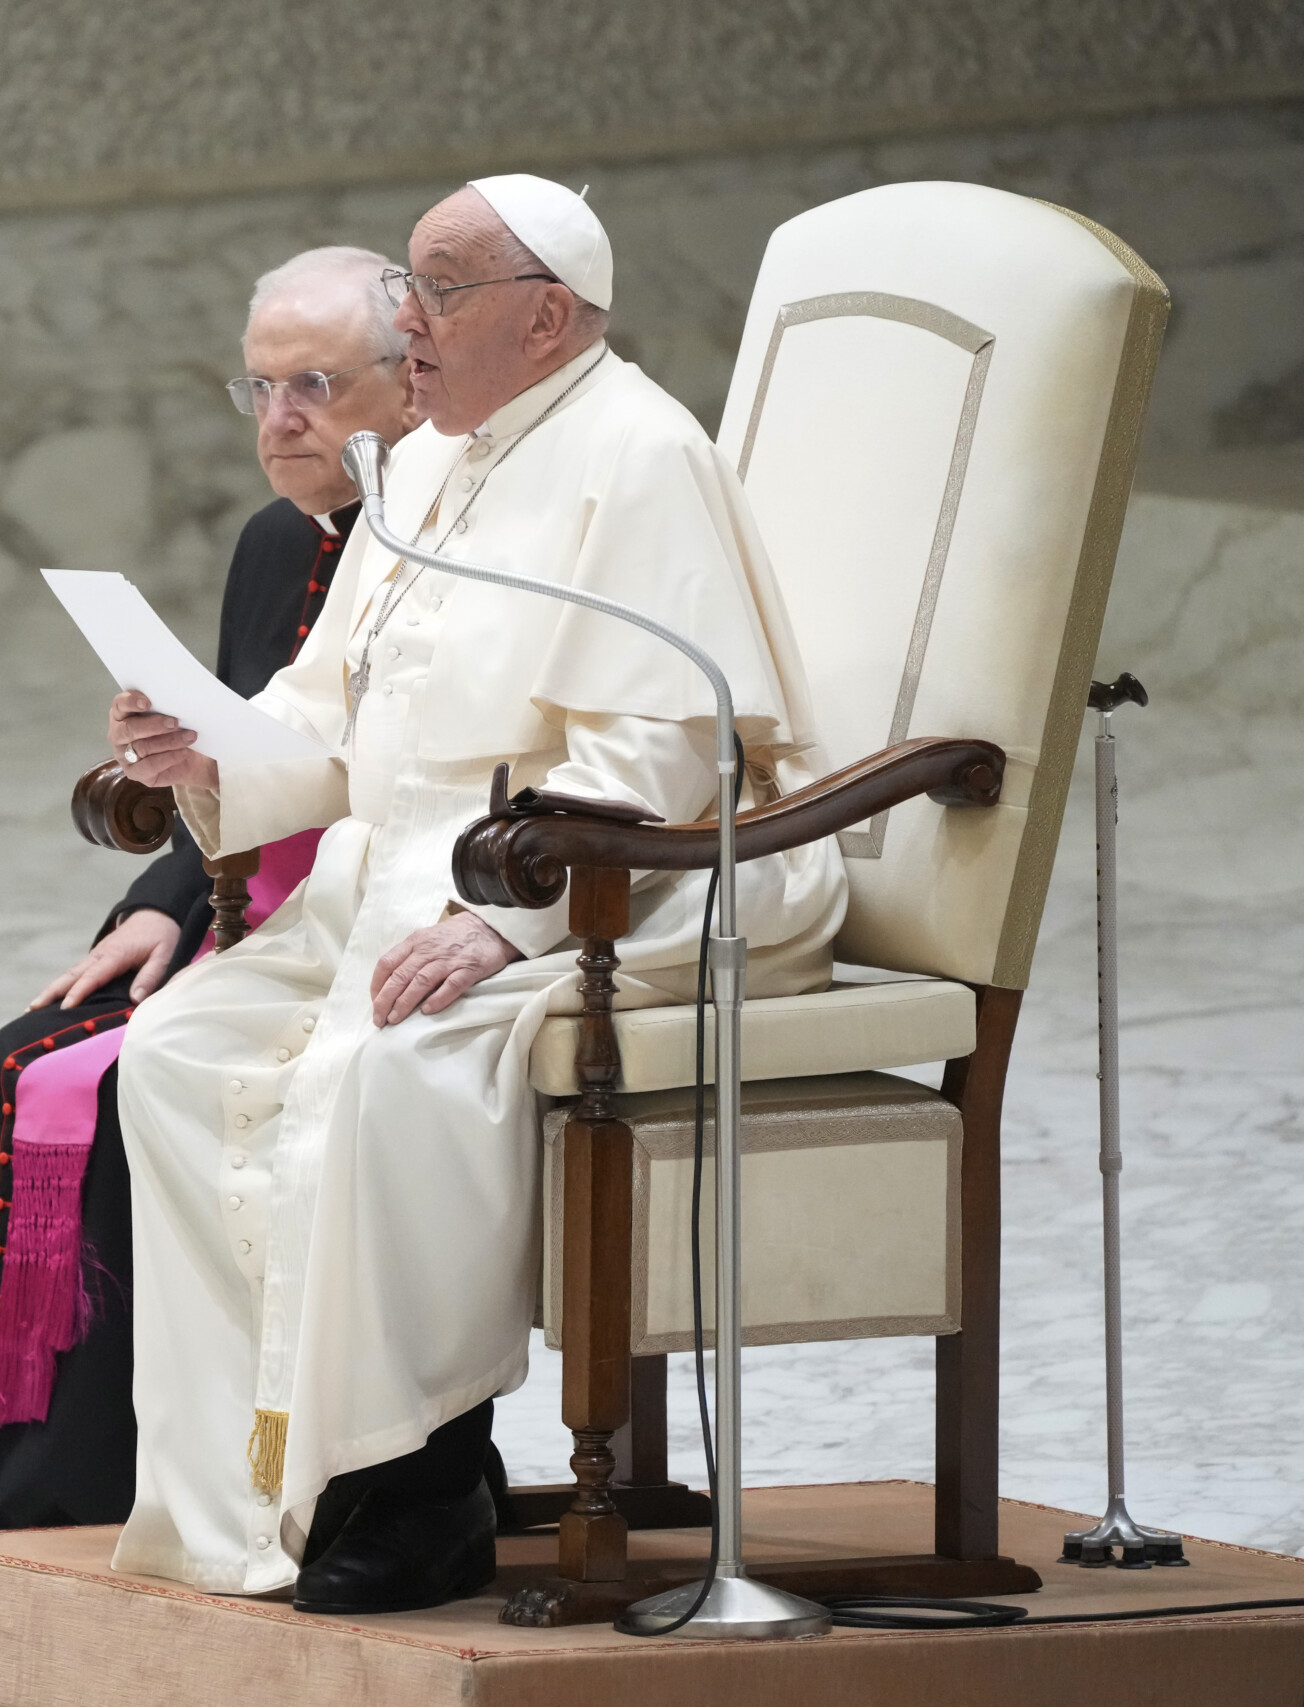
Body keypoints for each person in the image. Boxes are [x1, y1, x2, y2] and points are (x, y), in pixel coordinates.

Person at [104, 177, 847, 1613]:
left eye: (438, 294)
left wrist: (502, 919)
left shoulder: (639, 456)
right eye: (411, 295)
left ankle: (427, 1480)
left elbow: (663, 741)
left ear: (547, 314)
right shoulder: (427, 461)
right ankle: (266, 1483)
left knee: (395, 1067)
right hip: (382, 876)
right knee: (174, 1051)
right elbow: (329, 711)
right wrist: (208, 749)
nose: (410, 322)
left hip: (600, 882)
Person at [0, 248, 417, 1575]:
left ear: (411, 382)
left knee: (86, 1079)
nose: (280, 419)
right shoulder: (276, 541)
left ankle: (45, 1491)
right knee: (28, 1056)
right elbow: (244, 743)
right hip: (247, 907)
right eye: (261, 386)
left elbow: (392, 772)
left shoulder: (431, 552)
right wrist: (163, 895)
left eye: (315, 386)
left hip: (368, 923)